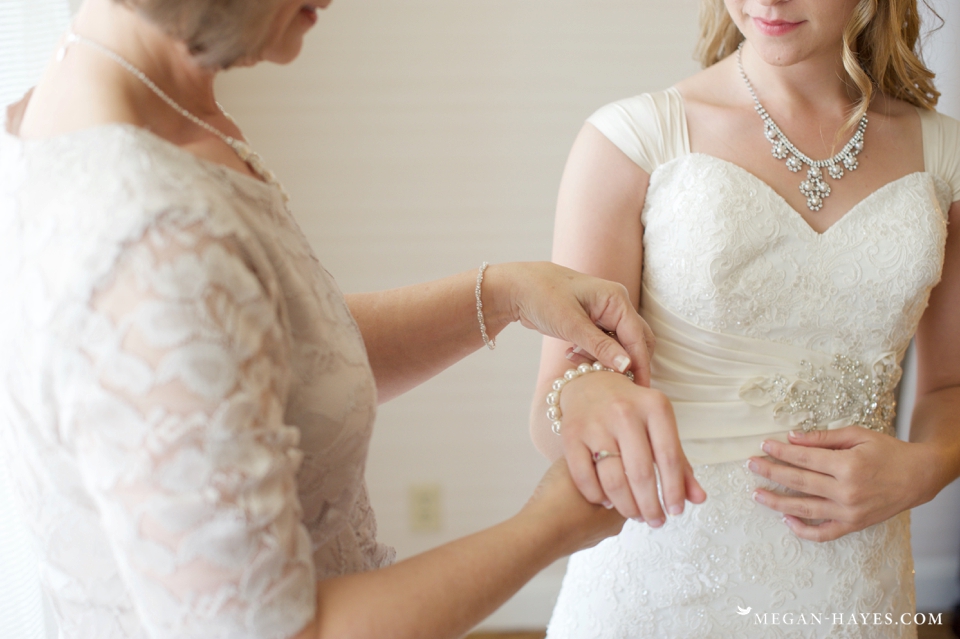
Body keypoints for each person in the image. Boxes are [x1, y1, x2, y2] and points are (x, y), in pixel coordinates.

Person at [0, 0, 666, 637]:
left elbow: (274, 359)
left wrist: (503, 294)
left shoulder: (102, 94)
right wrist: (550, 524)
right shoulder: (151, 244)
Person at [530, 0, 960, 637]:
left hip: (854, 583)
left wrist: (926, 468)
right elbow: (554, 407)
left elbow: (951, 386)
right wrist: (584, 403)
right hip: (660, 583)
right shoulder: (631, 140)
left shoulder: (945, 156)